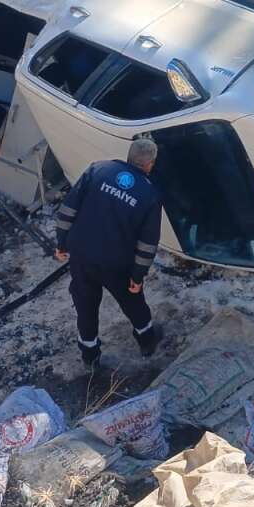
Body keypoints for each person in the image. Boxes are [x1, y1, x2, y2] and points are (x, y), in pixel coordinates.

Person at [54, 138, 164, 368]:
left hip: (81, 255)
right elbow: (147, 243)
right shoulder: (149, 195)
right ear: (150, 164)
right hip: (116, 263)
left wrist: (62, 243)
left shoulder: (99, 169)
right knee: (132, 302)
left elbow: (68, 208)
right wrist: (137, 276)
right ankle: (146, 341)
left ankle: (90, 355)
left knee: (85, 305)